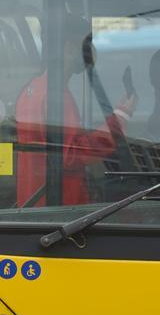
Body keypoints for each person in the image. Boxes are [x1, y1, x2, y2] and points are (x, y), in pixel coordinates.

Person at [14, 15, 136, 207]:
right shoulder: (56, 96)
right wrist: (121, 117)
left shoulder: (31, 89)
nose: (92, 52)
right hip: (60, 209)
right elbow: (72, 154)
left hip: (36, 205)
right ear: (70, 47)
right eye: (87, 44)